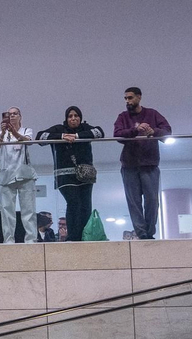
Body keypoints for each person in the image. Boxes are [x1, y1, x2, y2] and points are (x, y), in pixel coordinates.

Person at [37, 105, 104, 243]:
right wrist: (62, 136)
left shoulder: (85, 128)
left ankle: (85, 235)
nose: (73, 118)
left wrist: (77, 136)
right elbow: (40, 137)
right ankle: (73, 236)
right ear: (66, 118)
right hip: (65, 176)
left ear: (80, 117)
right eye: (70, 116)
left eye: (76, 116)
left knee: (86, 205)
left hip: (85, 175)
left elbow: (100, 132)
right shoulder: (58, 129)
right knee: (73, 202)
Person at [113, 86, 172, 240]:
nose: (127, 101)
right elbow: (117, 134)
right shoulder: (123, 117)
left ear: (139, 97)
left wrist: (153, 131)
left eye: (130, 97)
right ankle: (141, 233)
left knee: (152, 200)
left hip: (150, 164)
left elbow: (167, 130)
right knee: (134, 202)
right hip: (129, 165)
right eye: (125, 98)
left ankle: (150, 232)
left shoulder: (152, 114)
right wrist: (136, 130)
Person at [0, 106, 38, 244]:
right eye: (9, 114)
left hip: (24, 174)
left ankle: (31, 240)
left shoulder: (26, 131)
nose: (12, 116)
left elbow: (29, 141)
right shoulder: (0, 133)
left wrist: (14, 132)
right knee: (7, 211)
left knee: (29, 210)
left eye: (15, 114)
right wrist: (3, 133)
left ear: (20, 116)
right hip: (6, 175)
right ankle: (8, 240)